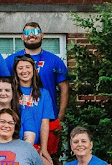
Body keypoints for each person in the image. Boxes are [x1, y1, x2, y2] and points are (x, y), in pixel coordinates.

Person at [6, 22, 69, 157]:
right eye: (28, 33)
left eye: (35, 32)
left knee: (50, 157)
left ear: (42, 35)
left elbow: (64, 87)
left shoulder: (54, 60)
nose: (32, 36)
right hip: (19, 119)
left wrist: (60, 116)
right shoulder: (10, 60)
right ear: (22, 37)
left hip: (47, 117)